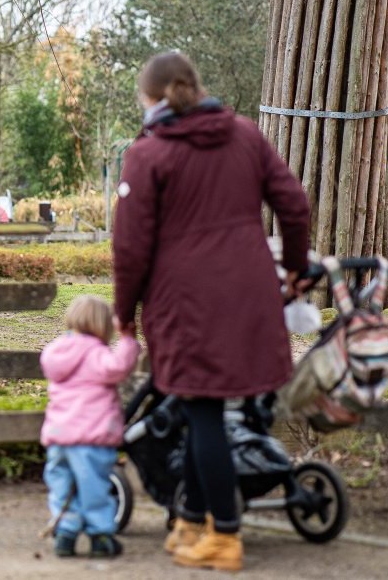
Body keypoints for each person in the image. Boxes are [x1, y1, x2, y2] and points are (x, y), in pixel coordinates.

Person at [113, 52, 311, 573]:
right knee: (209, 412)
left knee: (203, 417)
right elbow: (295, 205)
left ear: (153, 99)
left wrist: (122, 313)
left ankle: (224, 536)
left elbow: (129, 248)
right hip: (251, 297)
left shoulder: (149, 155)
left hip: (188, 304)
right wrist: (294, 268)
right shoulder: (245, 135)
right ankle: (190, 520)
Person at [39, 294, 140, 558]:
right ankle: (100, 535)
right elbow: (119, 368)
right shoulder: (96, 354)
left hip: (59, 437)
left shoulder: (56, 352)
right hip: (90, 438)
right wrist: (128, 340)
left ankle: (66, 533)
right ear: (102, 325)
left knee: (62, 486)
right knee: (94, 487)